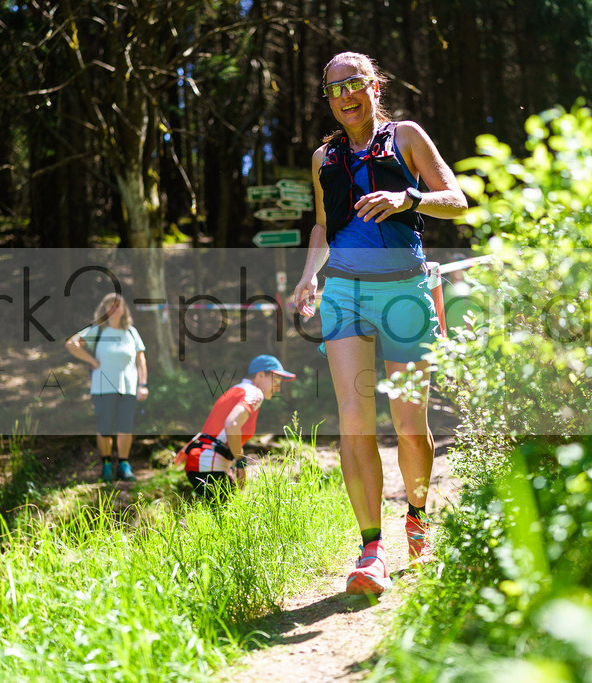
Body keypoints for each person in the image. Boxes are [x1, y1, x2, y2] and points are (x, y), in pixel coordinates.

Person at [292, 52, 467, 595]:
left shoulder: (408, 136)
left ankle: (416, 516)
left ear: (373, 86)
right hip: (344, 289)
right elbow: (323, 226)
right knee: (354, 419)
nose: (344, 96)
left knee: (410, 422)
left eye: (353, 84)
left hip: (406, 292)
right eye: (332, 89)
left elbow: (457, 201)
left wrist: (407, 196)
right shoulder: (325, 156)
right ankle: (371, 550)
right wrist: (308, 278)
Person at [180, 355, 295, 501]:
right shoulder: (254, 393)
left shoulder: (237, 389)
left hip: (202, 461)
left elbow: (226, 432)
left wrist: (233, 465)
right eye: (276, 380)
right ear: (260, 375)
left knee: (226, 514)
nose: (278, 387)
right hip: (207, 464)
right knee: (227, 518)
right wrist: (240, 462)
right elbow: (231, 425)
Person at [65, 293, 148, 483]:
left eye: (118, 306)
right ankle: (107, 466)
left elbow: (140, 360)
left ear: (125, 309)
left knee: (125, 427)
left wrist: (142, 385)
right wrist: (91, 360)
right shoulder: (98, 331)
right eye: (111, 306)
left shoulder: (132, 333)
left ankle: (124, 465)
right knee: (105, 428)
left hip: (127, 387)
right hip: (102, 388)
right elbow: (71, 343)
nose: (115, 309)